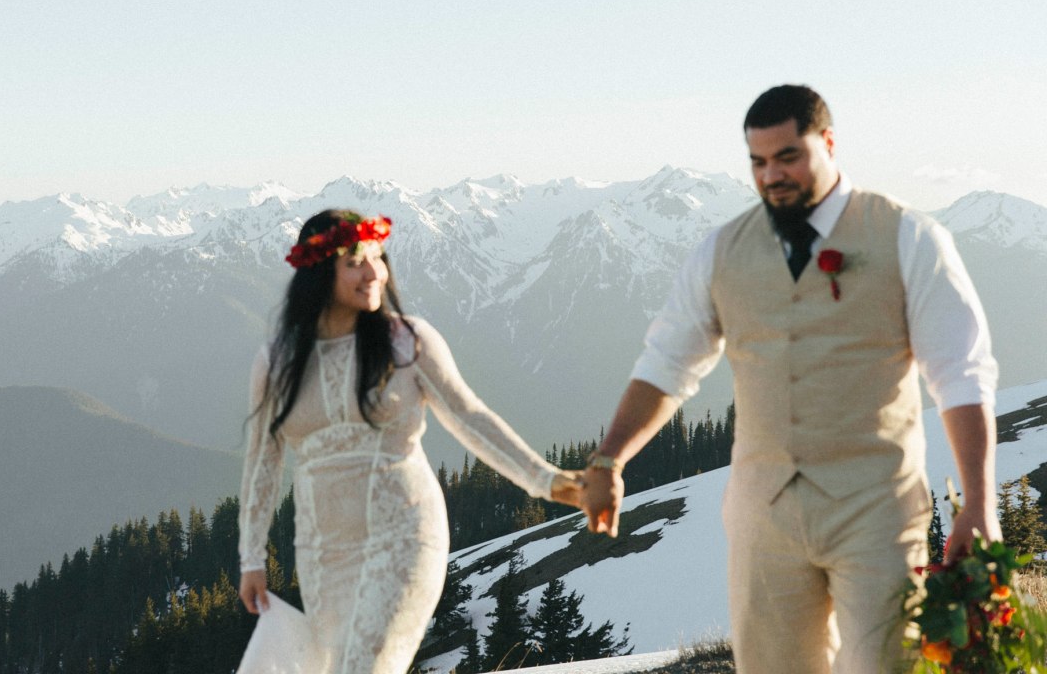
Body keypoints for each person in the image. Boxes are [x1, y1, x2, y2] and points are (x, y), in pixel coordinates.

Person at [579, 85, 999, 673]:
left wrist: (978, 502)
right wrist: (609, 460)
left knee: (889, 666)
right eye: (758, 162)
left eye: (788, 157)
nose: (772, 175)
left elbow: (961, 373)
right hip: (763, 514)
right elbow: (665, 366)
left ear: (828, 143)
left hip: (875, 507)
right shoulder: (720, 252)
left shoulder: (906, 236)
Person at [237, 209, 582, 674]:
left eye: (378, 258)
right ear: (320, 272)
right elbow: (262, 464)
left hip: (403, 534)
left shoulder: (407, 342)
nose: (374, 272)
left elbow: (471, 418)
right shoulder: (277, 362)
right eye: (356, 261)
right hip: (323, 555)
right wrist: (251, 558)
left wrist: (548, 481)